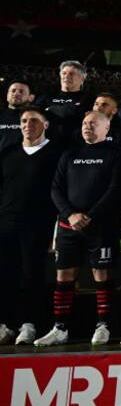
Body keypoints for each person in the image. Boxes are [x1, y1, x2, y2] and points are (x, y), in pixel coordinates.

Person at [36, 111, 121, 346]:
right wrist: (70, 214)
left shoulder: (116, 156)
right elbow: (56, 189)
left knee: (102, 275)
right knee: (64, 276)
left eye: (93, 124)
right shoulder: (70, 154)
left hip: (101, 228)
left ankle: (104, 325)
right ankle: (60, 328)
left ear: (106, 129)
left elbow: (116, 190)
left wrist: (90, 216)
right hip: (70, 226)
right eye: (85, 123)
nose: (87, 127)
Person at [0, 107, 64, 346]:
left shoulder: (56, 155)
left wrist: (56, 230)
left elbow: (59, 191)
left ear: (45, 125)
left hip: (38, 225)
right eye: (24, 121)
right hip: (6, 223)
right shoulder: (8, 153)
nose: (28, 125)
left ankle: (29, 323)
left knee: (31, 275)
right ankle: (5, 324)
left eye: (34, 121)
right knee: (5, 274)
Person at [43, 60, 89, 130]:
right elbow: (37, 113)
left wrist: (50, 109)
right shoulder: (48, 96)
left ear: (82, 78)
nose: (66, 76)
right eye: (64, 73)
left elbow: (73, 114)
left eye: (72, 74)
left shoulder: (87, 98)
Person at [0, 80, 34, 153]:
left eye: (21, 91)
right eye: (13, 90)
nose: (16, 93)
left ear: (31, 97)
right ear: (7, 95)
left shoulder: (38, 119)